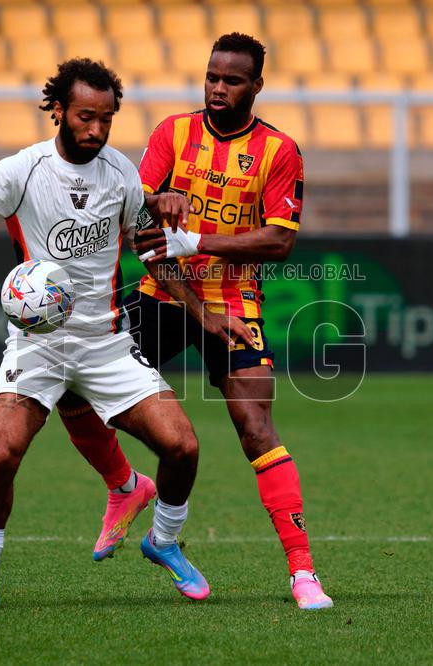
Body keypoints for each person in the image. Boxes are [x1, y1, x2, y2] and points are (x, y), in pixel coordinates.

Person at [0, 58, 253, 611]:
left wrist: (203, 317)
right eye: (86, 116)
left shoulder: (121, 175)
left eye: (107, 119)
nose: (96, 130)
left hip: (106, 341)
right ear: (58, 111)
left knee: (182, 447)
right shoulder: (22, 171)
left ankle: (163, 540)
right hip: (36, 345)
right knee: (3, 450)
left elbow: (152, 254)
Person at [56, 33, 333, 610]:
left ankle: (301, 573)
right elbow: (142, 225)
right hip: (165, 293)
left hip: (234, 304)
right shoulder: (171, 135)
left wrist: (198, 237)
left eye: (232, 80)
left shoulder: (280, 151)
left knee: (257, 427)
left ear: (256, 86)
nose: (217, 88)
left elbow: (279, 242)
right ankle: (124, 488)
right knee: (71, 386)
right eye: (211, 77)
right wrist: (166, 219)